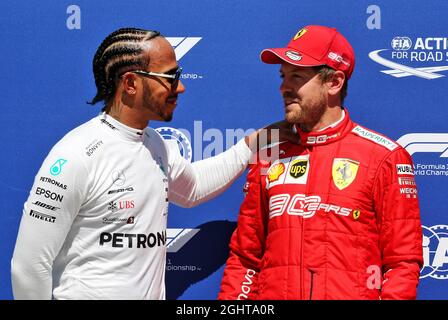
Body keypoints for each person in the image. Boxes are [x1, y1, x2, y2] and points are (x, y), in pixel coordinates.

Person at [10, 27, 296, 300]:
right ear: (131, 83)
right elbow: (28, 267)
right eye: (170, 77)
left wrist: (256, 142)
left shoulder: (156, 144)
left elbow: (193, 188)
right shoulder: (76, 154)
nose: (181, 87)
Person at [218, 25, 423, 300]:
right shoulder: (269, 155)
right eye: (283, 76)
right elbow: (245, 258)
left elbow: (402, 262)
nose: (284, 88)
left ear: (334, 83)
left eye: (297, 76)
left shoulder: (384, 157)